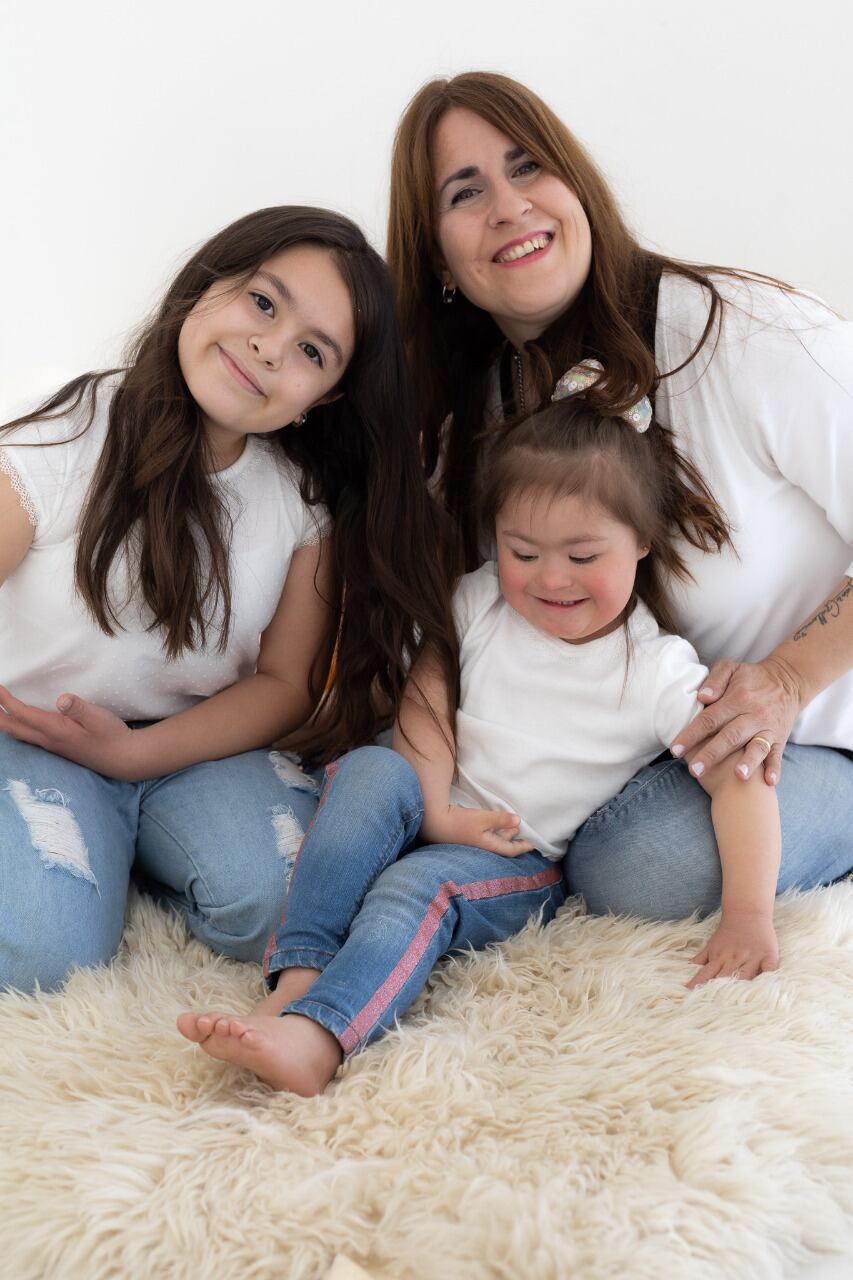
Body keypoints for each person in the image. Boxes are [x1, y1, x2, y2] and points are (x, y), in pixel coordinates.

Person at [177, 386, 782, 1096]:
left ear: (641, 542)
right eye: (522, 551)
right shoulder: (480, 600)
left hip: (516, 860)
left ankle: (321, 1036)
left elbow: (737, 779)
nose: (551, 579)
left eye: (584, 556)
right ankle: (300, 973)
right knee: (371, 767)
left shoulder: (654, 670)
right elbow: (427, 700)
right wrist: (432, 806)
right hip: (428, 805)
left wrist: (748, 915)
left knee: (416, 885)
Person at [385, 70, 853, 920]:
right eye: (465, 191)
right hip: (654, 748)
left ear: (577, 184)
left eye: (528, 167)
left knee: (637, 866)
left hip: (820, 734)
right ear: (438, 259)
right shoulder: (473, 416)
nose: (508, 206)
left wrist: (787, 679)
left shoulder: (742, 334)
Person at [0, 205, 457, 994]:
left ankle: (140, 835)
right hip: (37, 732)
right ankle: (88, 841)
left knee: (295, 906)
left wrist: (136, 755)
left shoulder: (298, 501)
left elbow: (283, 684)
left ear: (325, 397)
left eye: (311, 351)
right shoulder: (67, 435)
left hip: (196, 748)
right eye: (263, 303)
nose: (269, 348)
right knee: (43, 952)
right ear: (206, 286)